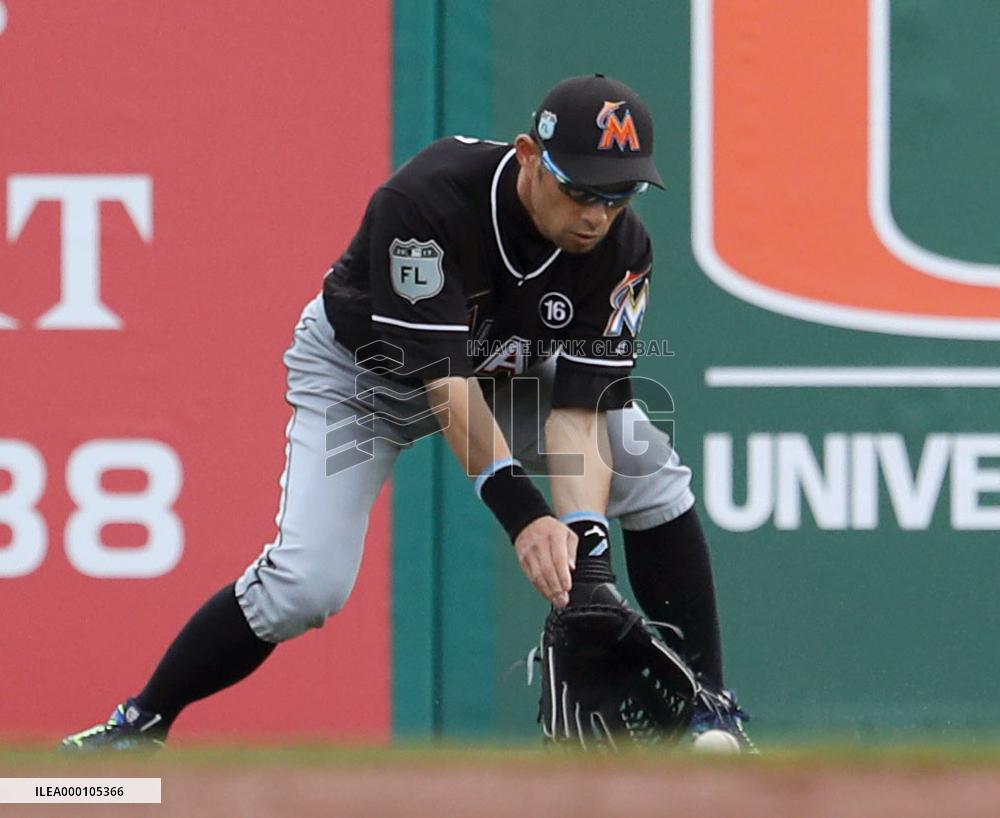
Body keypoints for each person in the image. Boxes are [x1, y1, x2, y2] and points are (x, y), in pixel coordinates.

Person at [61, 74, 751, 751]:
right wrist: (526, 518)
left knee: (643, 460)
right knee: (306, 587)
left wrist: (589, 564)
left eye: (619, 193)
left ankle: (712, 715)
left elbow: (580, 407)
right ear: (530, 155)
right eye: (579, 190)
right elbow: (444, 388)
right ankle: (139, 725)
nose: (597, 214)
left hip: (503, 374)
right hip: (363, 378)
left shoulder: (621, 249)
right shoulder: (429, 200)